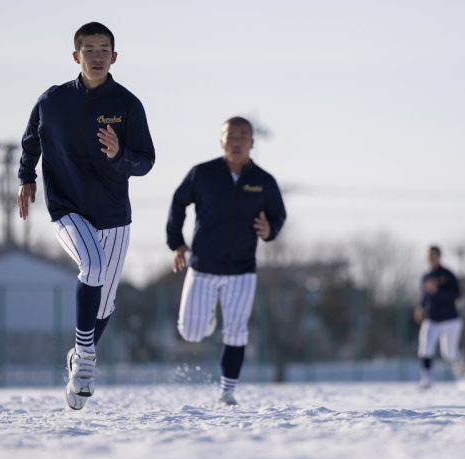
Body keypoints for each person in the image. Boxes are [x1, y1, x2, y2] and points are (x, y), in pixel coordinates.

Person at [17, 22, 155, 410]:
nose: (96, 56)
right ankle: (87, 359)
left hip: (113, 215)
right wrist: (26, 178)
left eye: (103, 49)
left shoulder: (127, 105)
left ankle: (79, 357)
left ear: (115, 56)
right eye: (89, 49)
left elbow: (146, 161)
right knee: (91, 267)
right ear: (76, 56)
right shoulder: (52, 100)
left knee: (105, 305)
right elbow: (31, 140)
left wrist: (119, 155)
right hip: (67, 208)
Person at [166, 116, 286, 406]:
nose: (236, 142)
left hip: (242, 270)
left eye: (243, 136)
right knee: (191, 332)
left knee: (236, 329)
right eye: (231, 136)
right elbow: (179, 202)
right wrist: (177, 243)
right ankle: (206, 319)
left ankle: (227, 390)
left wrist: (270, 230)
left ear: (252, 143)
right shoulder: (202, 174)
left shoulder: (264, 182)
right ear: (222, 141)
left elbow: (278, 216)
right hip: (203, 266)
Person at [414, 245, 465, 389]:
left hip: (450, 319)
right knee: (425, 347)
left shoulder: (448, 275)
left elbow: (457, 295)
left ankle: (462, 369)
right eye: (428, 255)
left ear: (439, 256)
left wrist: (438, 291)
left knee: (449, 354)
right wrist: (420, 308)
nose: (430, 258)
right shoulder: (425, 277)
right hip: (432, 318)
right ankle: (426, 378)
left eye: (433, 255)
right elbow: (425, 297)